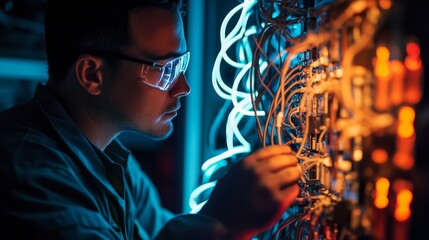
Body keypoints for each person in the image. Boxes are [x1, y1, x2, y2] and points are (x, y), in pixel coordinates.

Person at [0, 0, 302, 239]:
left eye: (182, 64)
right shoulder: (27, 173)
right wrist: (220, 220)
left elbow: (159, 232)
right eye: (165, 70)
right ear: (92, 75)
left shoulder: (115, 162)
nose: (183, 88)